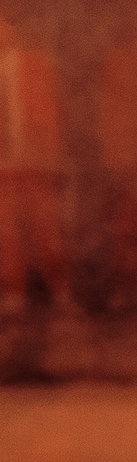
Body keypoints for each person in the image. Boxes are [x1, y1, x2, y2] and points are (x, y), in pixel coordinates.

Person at [0, 4, 73, 317]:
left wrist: (50, 152)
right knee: (6, 232)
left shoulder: (35, 65)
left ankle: (61, 292)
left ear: (11, 29)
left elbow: (50, 112)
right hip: (0, 164)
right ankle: (13, 294)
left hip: (35, 162)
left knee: (46, 229)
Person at [92, 20, 137, 314]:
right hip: (126, 160)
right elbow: (110, 113)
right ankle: (124, 291)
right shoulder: (119, 62)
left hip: (124, 158)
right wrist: (116, 158)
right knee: (124, 230)